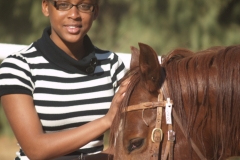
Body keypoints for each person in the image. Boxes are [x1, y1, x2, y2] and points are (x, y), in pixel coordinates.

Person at [0, 0, 128, 159]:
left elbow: (126, 145)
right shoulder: (18, 66)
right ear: (46, 7)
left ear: (95, 11)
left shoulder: (112, 65)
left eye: (84, 6)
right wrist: (106, 121)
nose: (74, 15)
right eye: (63, 4)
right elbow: (35, 149)